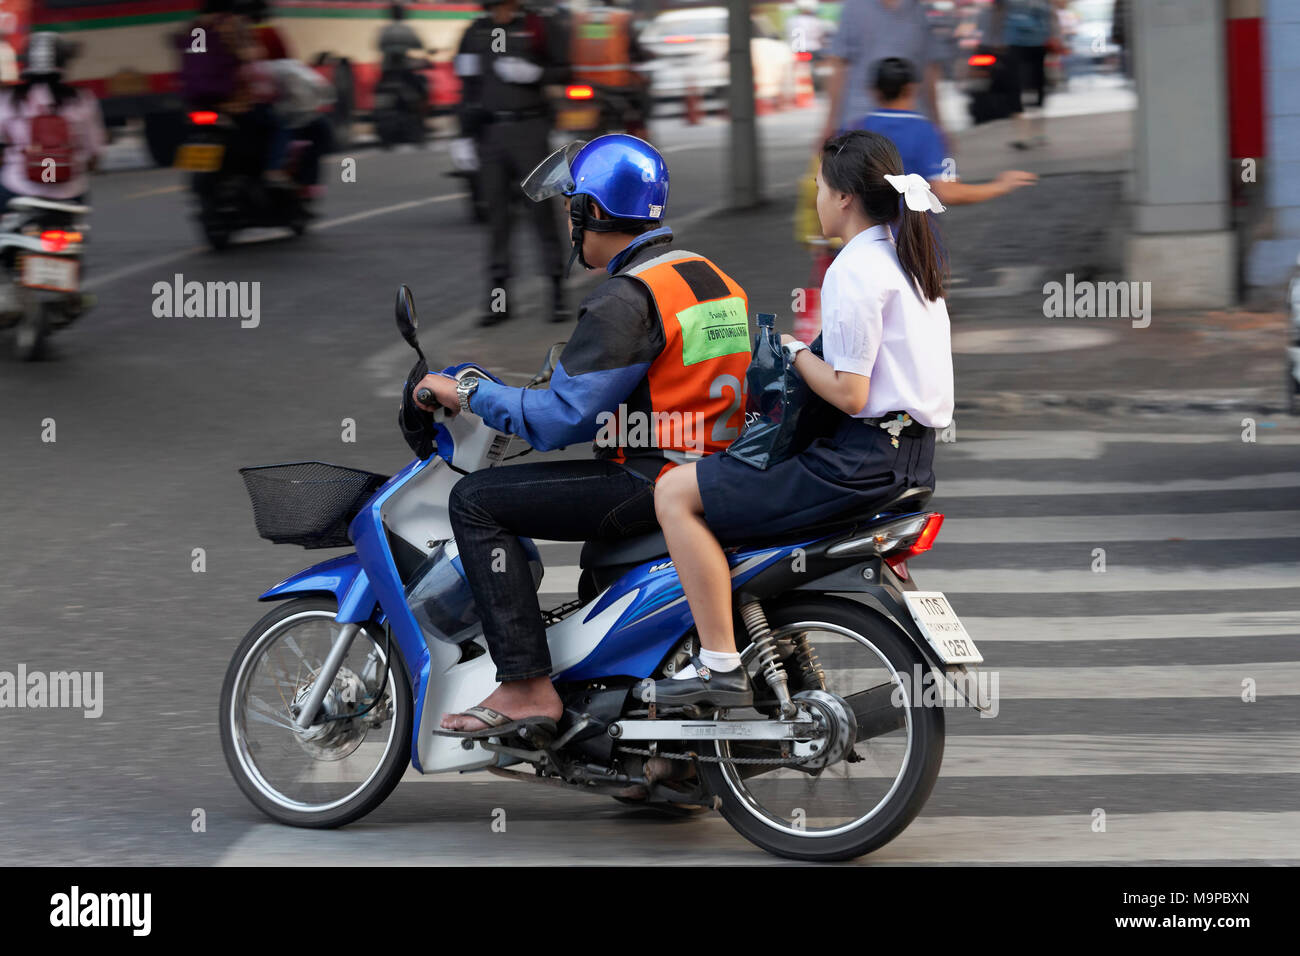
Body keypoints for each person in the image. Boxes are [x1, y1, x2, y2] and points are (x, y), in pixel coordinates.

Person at [410, 135, 754, 737]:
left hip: (650, 479)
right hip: (713, 469)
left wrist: (468, 393)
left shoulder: (625, 300)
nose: (570, 225)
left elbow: (558, 420)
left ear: (591, 213)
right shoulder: (709, 277)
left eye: (573, 210)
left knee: (476, 502)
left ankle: (524, 685)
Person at [651, 129, 952, 706]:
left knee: (674, 494)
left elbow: (850, 394)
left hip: (855, 458)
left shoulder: (854, 270)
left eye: (818, 186)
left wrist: (791, 352)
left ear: (843, 197)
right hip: (907, 458)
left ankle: (717, 665)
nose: (815, 197)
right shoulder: (910, 259)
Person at [456, 0, 571, 326]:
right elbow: (467, 87)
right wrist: (462, 135)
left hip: (530, 130)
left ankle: (557, 294)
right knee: (497, 220)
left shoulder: (538, 26)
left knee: (542, 215)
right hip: (490, 133)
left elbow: (565, 68)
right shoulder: (474, 32)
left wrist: (535, 73)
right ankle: (498, 302)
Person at [854, 57, 1036, 206]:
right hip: (913, 243)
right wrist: (1000, 186)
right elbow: (949, 192)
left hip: (860, 245)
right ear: (911, 89)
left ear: (873, 91)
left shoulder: (851, 131)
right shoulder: (927, 133)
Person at [0, 32, 106, 209]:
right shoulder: (82, 98)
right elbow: (94, 153)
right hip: (71, 193)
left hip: (18, 190)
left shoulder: (9, 99)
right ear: (64, 62)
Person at [820, 0, 945, 146]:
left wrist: (938, 124)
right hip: (860, 126)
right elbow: (839, 65)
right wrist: (830, 124)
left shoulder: (918, 10)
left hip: (912, 123)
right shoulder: (854, 8)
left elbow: (929, 69)